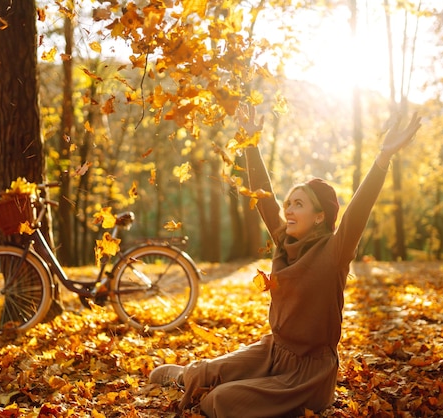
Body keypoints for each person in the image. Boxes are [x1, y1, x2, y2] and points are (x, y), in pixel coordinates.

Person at [149, 104, 422, 417]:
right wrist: (251, 145)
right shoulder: (284, 242)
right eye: (290, 202)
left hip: (309, 373)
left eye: (299, 204)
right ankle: (187, 378)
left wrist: (382, 158)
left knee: (219, 401)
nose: (289, 210)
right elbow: (265, 197)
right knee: (209, 371)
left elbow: (358, 211)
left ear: (320, 216)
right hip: (273, 350)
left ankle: (256, 397)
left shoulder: (335, 252)